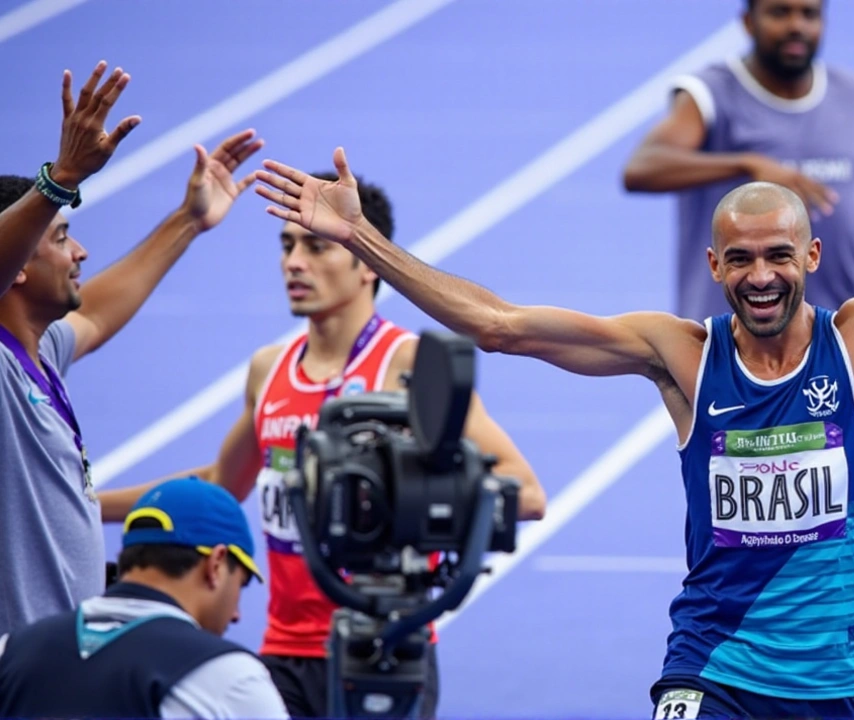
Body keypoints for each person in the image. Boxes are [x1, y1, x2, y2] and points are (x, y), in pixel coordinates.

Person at [252, 51, 854, 720]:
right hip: (712, 670)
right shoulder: (679, 355)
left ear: (813, 255)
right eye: (741, 262)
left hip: (841, 679)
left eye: (779, 255)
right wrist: (365, 242)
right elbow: (500, 327)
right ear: (716, 269)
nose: (762, 276)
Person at [115, 172, 546, 718]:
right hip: (281, 654)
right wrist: (86, 501)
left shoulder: (407, 365)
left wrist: (400, 496)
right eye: (288, 246)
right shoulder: (268, 370)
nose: (294, 263)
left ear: (368, 262)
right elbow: (222, 485)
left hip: (384, 643)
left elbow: (526, 490)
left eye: (317, 247)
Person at [0, 59, 265, 637]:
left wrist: (188, 222)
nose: (81, 253)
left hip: (61, 652)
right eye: (63, 237)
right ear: (17, 266)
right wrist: (61, 178)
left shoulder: (41, 353)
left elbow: (96, 311)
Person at [622, 0, 854, 321]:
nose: (796, 26)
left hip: (843, 332)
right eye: (779, 12)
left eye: (809, 14)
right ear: (748, 22)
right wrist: (748, 165)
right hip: (730, 337)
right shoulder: (710, 94)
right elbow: (642, 168)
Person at [0, 477, 290, 719]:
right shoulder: (230, 677)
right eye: (242, 582)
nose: (237, 613)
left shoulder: (10, 651)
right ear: (216, 565)